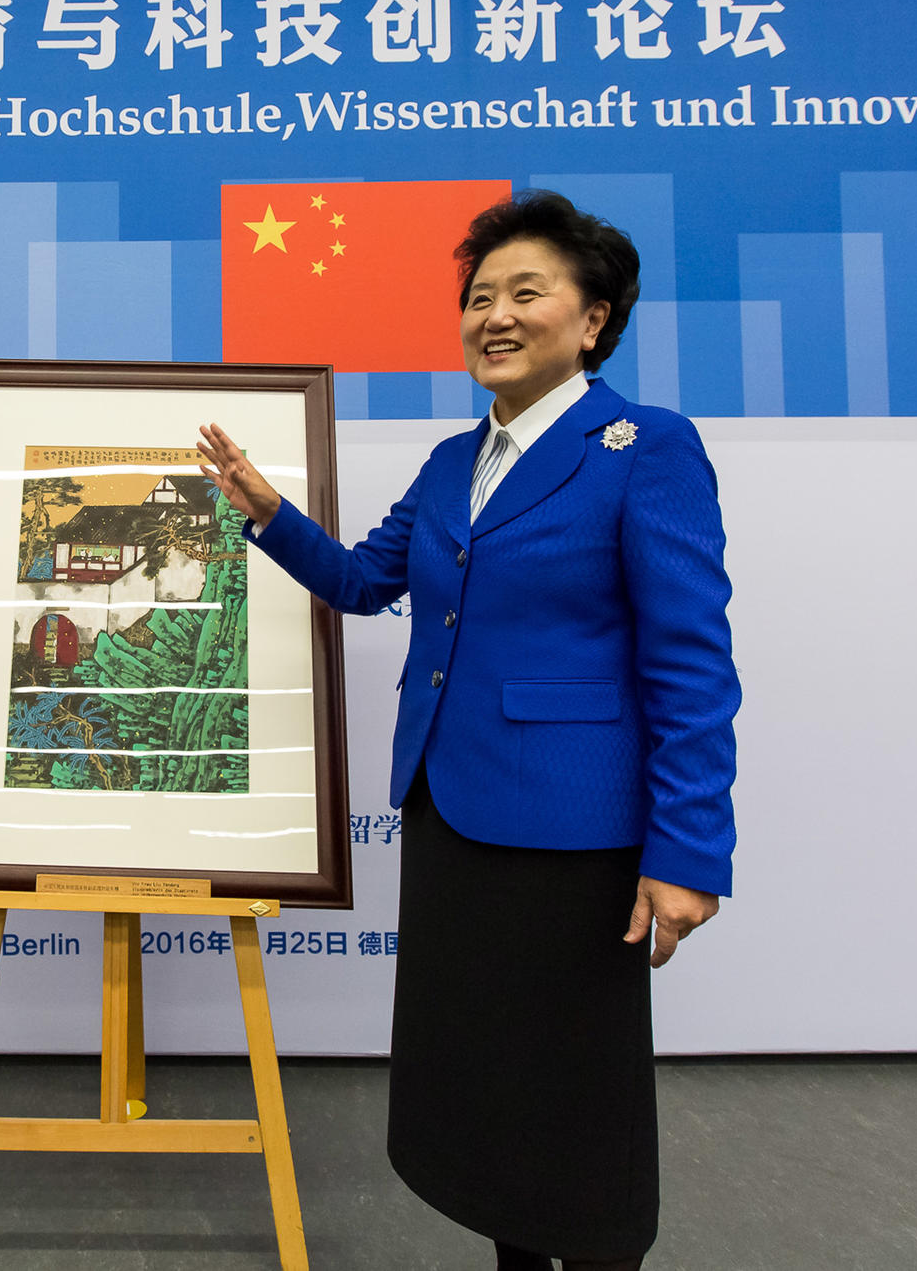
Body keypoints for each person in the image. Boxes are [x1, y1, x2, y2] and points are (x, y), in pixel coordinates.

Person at [198, 190, 737, 1271]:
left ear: (592, 318)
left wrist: (689, 851)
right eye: (478, 297)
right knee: (488, 1082)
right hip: (450, 810)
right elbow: (364, 581)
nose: (494, 315)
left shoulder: (646, 447)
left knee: (574, 1093)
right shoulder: (454, 458)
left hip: (577, 828)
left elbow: (690, 662)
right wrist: (266, 511)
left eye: (525, 292)